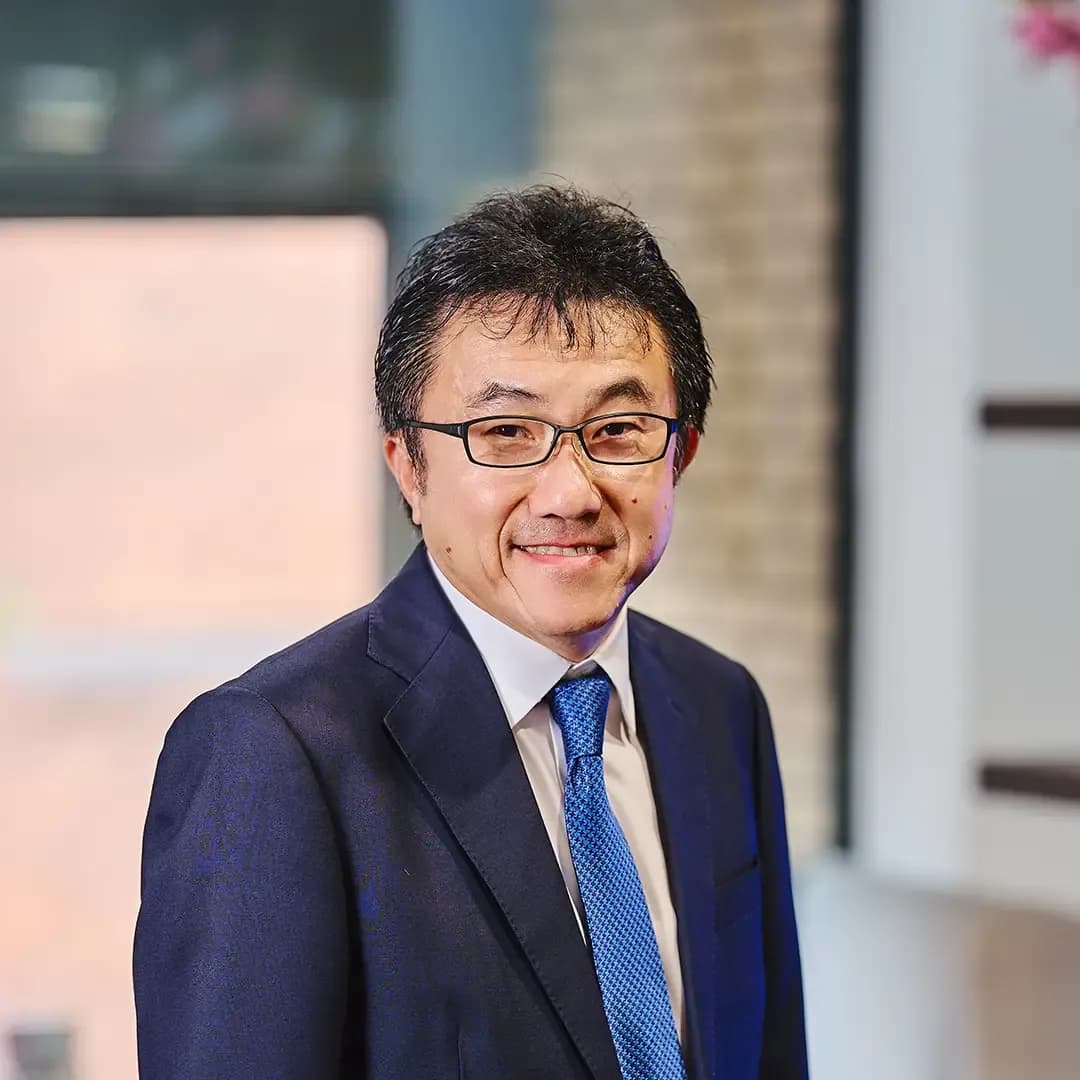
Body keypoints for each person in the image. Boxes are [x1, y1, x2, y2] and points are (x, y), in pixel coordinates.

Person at [133, 185, 809, 1079]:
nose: (569, 492)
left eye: (618, 430)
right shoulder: (272, 752)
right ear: (407, 466)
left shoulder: (720, 706)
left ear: (680, 451)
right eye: (505, 431)